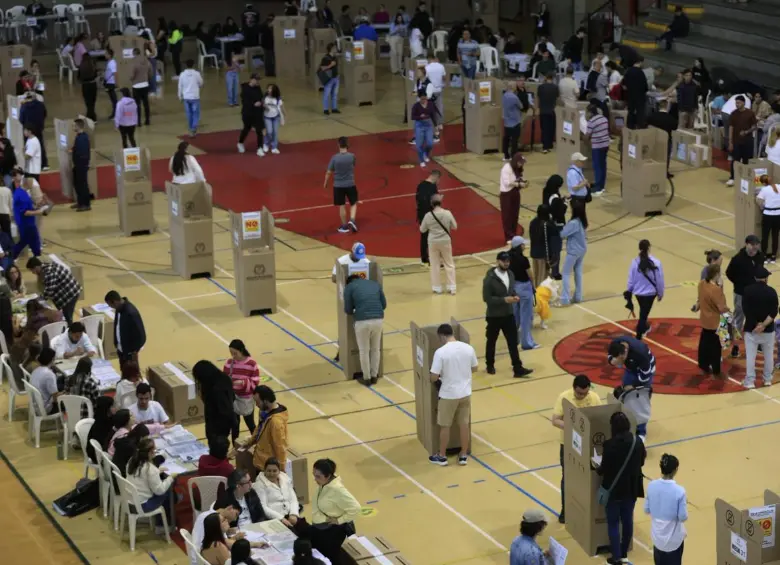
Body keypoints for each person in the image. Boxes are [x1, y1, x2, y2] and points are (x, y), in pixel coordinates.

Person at [594, 411, 646, 565]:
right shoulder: (637, 442)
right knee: (628, 519)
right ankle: (624, 552)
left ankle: (615, 556)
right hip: (631, 488)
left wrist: (596, 466)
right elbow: (642, 461)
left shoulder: (609, 445)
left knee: (613, 523)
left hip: (614, 489)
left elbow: (603, 469)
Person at [552, 374, 601, 523]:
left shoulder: (594, 397)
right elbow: (555, 420)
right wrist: (574, 428)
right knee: (567, 477)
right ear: (573, 389)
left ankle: (587, 509)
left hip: (588, 445)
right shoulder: (564, 397)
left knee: (590, 478)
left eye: (584, 393)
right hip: (568, 444)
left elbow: (600, 417)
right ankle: (565, 510)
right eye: (579, 393)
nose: (581, 396)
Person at [427, 321, 477, 465]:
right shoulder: (468, 348)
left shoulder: (441, 352)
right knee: (464, 425)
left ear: (441, 336)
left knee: (445, 426)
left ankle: (442, 456)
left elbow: (434, 377)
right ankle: (463, 455)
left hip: (448, 395)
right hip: (465, 393)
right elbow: (474, 368)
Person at [482, 251, 533, 378]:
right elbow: (487, 299)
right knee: (491, 341)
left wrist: (514, 295)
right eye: (504, 261)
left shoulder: (510, 274)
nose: (506, 263)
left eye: (508, 261)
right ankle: (490, 364)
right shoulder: (489, 279)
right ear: (497, 261)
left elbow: (511, 289)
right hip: (494, 316)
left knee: (512, 341)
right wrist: (504, 300)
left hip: (508, 314)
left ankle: (517, 367)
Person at [304, 459, 361, 563]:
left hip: (331, 532)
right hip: (320, 528)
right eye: (314, 475)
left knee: (328, 558)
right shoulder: (324, 484)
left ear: (328, 476)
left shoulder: (338, 490)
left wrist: (339, 520)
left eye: (318, 476)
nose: (315, 479)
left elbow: (356, 508)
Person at [607, 336, 656, 436]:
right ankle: (627, 423)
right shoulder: (616, 343)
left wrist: (634, 388)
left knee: (640, 400)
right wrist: (612, 361)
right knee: (626, 396)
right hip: (631, 367)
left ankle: (641, 432)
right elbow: (610, 356)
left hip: (645, 370)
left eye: (620, 359)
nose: (620, 362)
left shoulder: (640, 353)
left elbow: (645, 376)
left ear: (624, 353)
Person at [645, 454, 688, 565]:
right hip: (673, 542)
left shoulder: (651, 486)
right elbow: (683, 517)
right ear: (675, 470)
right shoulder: (679, 491)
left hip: (657, 539)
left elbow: (646, 510)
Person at [343, 273, 386, 384]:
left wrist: (355, 308)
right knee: (376, 349)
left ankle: (366, 378)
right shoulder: (374, 284)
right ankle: (374, 376)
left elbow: (347, 309)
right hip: (378, 319)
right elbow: (384, 304)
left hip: (362, 321)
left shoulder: (349, 287)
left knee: (364, 351)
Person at [726, 234, 765, 356]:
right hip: (741, 293)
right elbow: (729, 273)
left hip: (756, 293)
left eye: (756, 245)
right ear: (746, 244)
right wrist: (739, 284)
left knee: (757, 318)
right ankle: (735, 346)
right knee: (739, 320)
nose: (755, 247)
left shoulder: (760, 256)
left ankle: (757, 343)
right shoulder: (738, 259)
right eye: (752, 244)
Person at [742, 266, 778, 388]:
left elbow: (746, 310)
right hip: (768, 330)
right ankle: (767, 379)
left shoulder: (747, 291)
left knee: (751, 356)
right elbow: (773, 312)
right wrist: (763, 325)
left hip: (751, 329)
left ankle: (750, 381)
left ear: (755, 278)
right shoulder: (772, 292)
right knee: (768, 356)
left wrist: (756, 325)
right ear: (766, 278)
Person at [238, 385, 289, 470]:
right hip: (260, 460)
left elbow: (280, 447)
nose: (256, 405)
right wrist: (249, 442)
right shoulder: (264, 412)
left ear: (265, 401)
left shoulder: (275, 422)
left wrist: (281, 470)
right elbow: (259, 430)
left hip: (268, 467)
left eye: (258, 402)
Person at [626, 240, 665, 339]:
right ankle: (639, 336)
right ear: (649, 248)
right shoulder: (656, 262)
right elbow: (659, 280)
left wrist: (629, 292)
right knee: (643, 315)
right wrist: (660, 293)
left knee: (643, 313)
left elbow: (631, 279)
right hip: (650, 293)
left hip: (638, 293)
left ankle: (644, 328)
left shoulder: (634, 262)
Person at [420, 194, 457, 295]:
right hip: (445, 241)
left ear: (431, 204)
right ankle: (451, 287)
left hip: (433, 242)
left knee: (435, 265)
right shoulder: (447, 213)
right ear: (441, 203)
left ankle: (437, 288)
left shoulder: (428, 215)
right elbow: (455, 226)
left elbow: (422, 229)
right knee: (449, 263)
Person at [26, 257, 82, 324]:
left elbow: (49, 291)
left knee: (67, 315)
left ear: (36, 267)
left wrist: (38, 299)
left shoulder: (49, 272)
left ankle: (71, 329)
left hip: (71, 293)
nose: (32, 272)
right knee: (66, 314)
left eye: (32, 270)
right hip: (67, 291)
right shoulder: (46, 267)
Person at [224, 338, 260, 442]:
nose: (233, 356)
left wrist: (244, 383)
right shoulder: (229, 363)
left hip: (246, 400)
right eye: (231, 353)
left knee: (250, 423)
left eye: (235, 353)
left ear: (241, 350)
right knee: (235, 425)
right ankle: (235, 448)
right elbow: (224, 379)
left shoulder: (252, 364)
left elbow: (255, 382)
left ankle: (257, 444)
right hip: (233, 398)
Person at [193, 360, 235, 444]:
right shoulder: (224, 378)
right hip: (224, 421)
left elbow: (221, 409)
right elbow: (232, 397)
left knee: (217, 445)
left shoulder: (214, 389)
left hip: (217, 424)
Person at [698, 263, 729, 378]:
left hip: (704, 319)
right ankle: (716, 370)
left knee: (704, 344)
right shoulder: (715, 289)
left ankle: (703, 364)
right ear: (716, 275)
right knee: (716, 347)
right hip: (715, 321)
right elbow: (722, 306)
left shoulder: (701, 284)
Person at [508, 236, 538, 350]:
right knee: (526, 317)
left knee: (515, 316)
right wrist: (533, 286)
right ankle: (527, 343)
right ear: (520, 246)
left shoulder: (508, 257)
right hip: (524, 288)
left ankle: (513, 340)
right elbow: (530, 275)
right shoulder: (523, 259)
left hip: (513, 288)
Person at [324, 136, 358, 234]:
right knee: (354, 202)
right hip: (350, 183)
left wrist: (325, 182)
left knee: (341, 205)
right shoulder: (352, 156)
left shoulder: (334, 158)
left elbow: (329, 172)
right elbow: (353, 165)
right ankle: (352, 219)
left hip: (338, 185)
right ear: (347, 145)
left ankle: (344, 226)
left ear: (338, 145)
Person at [104, 290, 146, 367]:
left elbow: (141, 334)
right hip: (121, 349)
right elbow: (117, 327)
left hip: (130, 352)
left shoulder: (131, 313)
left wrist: (134, 351)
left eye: (110, 305)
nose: (111, 307)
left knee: (132, 374)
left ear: (115, 302)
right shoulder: (118, 309)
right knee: (124, 370)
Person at [254, 457, 299, 524]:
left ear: (279, 471)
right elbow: (263, 507)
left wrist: (294, 514)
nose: (271, 474)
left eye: (274, 471)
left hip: (289, 515)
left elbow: (293, 499)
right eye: (269, 471)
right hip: (274, 519)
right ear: (264, 471)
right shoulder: (259, 485)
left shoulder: (285, 479)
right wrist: (281, 518)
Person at [560, 200, 588, 305]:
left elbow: (562, 234)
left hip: (573, 251)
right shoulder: (582, 221)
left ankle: (565, 299)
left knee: (566, 273)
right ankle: (578, 296)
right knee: (578, 272)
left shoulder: (573, 223)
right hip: (582, 249)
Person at [727, 96, 757, 186]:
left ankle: (746, 179)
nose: (737, 104)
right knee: (735, 161)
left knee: (746, 161)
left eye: (739, 103)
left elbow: (755, 127)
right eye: (736, 103)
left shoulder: (750, 113)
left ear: (743, 103)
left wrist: (747, 132)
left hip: (747, 141)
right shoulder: (733, 114)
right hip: (736, 141)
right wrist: (730, 142)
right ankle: (732, 177)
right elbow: (731, 128)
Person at [13, 170, 43, 259]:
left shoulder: (20, 192)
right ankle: (38, 258)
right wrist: (40, 211)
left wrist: (36, 206)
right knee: (33, 241)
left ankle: (37, 257)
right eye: (32, 181)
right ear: (27, 181)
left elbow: (27, 207)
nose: (33, 183)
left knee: (26, 241)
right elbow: (25, 212)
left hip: (24, 223)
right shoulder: (22, 195)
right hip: (27, 224)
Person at [499, 153, 527, 243]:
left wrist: (523, 182)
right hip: (506, 193)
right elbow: (507, 182)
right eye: (520, 162)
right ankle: (508, 236)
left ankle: (513, 234)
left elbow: (519, 178)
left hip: (515, 192)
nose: (521, 164)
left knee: (515, 214)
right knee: (507, 215)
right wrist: (518, 184)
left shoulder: (517, 169)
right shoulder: (506, 168)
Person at [416, 169, 440, 266]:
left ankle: (424, 258)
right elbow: (435, 202)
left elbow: (417, 199)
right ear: (436, 177)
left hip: (421, 214)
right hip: (431, 215)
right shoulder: (433, 187)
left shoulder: (420, 185)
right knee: (434, 237)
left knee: (424, 237)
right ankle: (434, 259)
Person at [238, 74, 266, 156]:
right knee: (246, 128)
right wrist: (253, 104)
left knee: (259, 130)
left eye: (258, 80)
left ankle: (260, 148)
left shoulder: (258, 88)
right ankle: (240, 143)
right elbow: (244, 102)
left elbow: (261, 97)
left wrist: (261, 103)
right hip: (248, 113)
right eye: (256, 80)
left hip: (258, 113)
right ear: (251, 80)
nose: (258, 81)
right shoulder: (245, 89)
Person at [585, 104, 610, 196]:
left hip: (597, 146)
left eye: (587, 112)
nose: (586, 114)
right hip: (605, 145)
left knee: (597, 167)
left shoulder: (591, 122)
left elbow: (587, 136)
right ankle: (601, 185)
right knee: (603, 165)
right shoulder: (604, 118)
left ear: (591, 113)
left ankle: (598, 188)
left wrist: (586, 142)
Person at [528, 205, 556, 287]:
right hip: (543, 255)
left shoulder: (533, 222)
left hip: (534, 252)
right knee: (543, 278)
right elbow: (551, 240)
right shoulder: (548, 224)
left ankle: (536, 294)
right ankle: (541, 296)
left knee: (536, 276)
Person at [29, 347, 61, 414]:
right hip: (45, 408)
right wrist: (65, 393)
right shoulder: (49, 374)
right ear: (52, 359)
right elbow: (55, 399)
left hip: (35, 405)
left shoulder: (35, 370)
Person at [178, 60, 204, 137]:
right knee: (195, 113)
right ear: (193, 65)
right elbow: (201, 83)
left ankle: (190, 128)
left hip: (186, 97)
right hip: (195, 97)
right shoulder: (196, 74)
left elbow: (180, 86)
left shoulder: (182, 74)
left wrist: (180, 96)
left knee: (189, 114)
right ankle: (193, 128)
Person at [757, 174, 780, 262]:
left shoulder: (764, 190)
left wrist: (763, 208)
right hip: (778, 215)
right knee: (775, 235)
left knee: (765, 236)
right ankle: (774, 256)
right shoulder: (779, 186)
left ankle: (764, 256)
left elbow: (758, 200)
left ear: (763, 183)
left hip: (768, 215)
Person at [87, 396, 116, 463]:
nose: (115, 408)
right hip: (99, 455)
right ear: (107, 408)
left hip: (105, 451)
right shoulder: (101, 425)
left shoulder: (110, 419)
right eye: (112, 406)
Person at [411, 93, 437, 168]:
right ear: (419, 99)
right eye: (422, 99)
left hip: (428, 125)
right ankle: (421, 160)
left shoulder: (430, 104)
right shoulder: (416, 106)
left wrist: (435, 125)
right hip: (419, 126)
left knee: (430, 143)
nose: (424, 100)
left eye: (425, 99)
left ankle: (425, 153)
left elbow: (433, 115)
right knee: (419, 144)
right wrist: (419, 117)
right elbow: (413, 117)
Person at [623, 57, 649, 129]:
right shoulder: (641, 73)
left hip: (630, 95)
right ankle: (639, 128)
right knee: (640, 113)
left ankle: (630, 127)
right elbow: (645, 87)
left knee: (630, 112)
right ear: (640, 62)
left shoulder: (628, 71)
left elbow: (624, 85)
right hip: (640, 97)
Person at [128, 48, 152, 127]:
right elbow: (150, 71)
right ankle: (147, 120)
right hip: (145, 84)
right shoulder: (146, 61)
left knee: (137, 104)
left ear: (134, 53)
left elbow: (132, 75)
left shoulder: (134, 62)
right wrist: (148, 78)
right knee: (146, 103)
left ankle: (138, 122)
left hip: (136, 86)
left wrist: (130, 79)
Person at [502, 82, 524, 161]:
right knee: (515, 139)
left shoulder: (504, 96)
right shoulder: (514, 97)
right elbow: (521, 106)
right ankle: (513, 156)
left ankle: (506, 155)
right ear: (513, 87)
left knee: (506, 139)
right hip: (515, 121)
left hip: (507, 121)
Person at [537, 73, 559, 154]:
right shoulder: (555, 87)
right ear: (552, 78)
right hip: (552, 111)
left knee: (544, 129)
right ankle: (550, 145)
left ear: (546, 78)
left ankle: (545, 147)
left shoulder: (541, 87)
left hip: (543, 111)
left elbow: (538, 98)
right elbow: (556, 99)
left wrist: (537, 108)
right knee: (551, 129)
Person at [320, 43, 341, 116]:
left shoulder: (335, 57)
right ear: (331, 49)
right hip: (329, 79)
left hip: (336, 78)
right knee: (326, 94)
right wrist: (330, 65)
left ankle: (334, 108)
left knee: (334, 94)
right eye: (335, 48)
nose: (336, 49)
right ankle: (325, 109)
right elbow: (322, 68)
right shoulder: (325, 58)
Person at [263, 84, 285, 155]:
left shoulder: (278, 98)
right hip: (267, 117)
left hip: (276, 117)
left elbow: (282, 107)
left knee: (275, 132)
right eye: (268, 88)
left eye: (270, 89)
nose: (268, 90)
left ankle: (274, 147)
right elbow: (262, 105)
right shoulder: (265, 97)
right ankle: (266, 144)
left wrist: (284, 115)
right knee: (269, 132)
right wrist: (265, 106)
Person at [78, 53, 98, 122]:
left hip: (85, 85)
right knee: (92, 102)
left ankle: (90, 117)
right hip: (93, 85)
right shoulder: (92, 65)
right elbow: (95, 75)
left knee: (87, 102)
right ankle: (92, 117)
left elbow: (79, 77)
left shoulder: (81, 66)